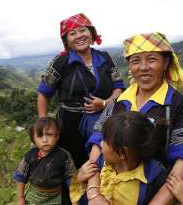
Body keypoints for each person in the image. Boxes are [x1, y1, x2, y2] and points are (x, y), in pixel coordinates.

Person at [85, 32, 183, 204]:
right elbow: (98, 140)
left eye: (152, 59)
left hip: (153, 193)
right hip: (108, 191)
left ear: (166, 62)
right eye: (136, 61)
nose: (143, 67)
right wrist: (94, 192)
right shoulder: (119, 101)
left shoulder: (180, 105)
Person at [37, 13, 125, 169]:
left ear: (91, 33)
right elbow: (44, 92)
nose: (79, 36)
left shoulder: (104, 57)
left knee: (104, 163)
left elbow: (118, 86)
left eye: (82, 30)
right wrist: (44, 125)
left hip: (105, 120)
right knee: (75, 165)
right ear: (67, 40)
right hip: (70, 124)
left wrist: (105, 103)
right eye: (72, 33)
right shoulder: (61, 61)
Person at [70, 112, 168, 204]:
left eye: (105, 141)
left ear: (122, 153)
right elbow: (82, 199)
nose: (100, 144)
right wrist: (80, 181)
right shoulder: (99, 163)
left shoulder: (153, 178)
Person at [13, 117, 76, 205]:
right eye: (40, 136)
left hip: (56, 196)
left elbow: (71, 179)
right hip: (34, 195)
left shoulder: (64, 156)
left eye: (49, 134)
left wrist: (75, 199)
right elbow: (20, 177)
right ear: (33, 139)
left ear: (57, 135)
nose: (45, 140)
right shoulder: (30, 156)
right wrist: (20, 197)